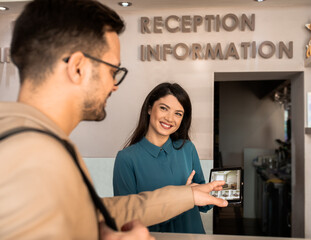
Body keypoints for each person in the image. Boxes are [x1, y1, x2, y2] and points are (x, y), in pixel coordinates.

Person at [0, 1, 228, 240]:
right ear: (77, 67)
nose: (115, 85)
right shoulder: (28, 155)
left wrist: (188, 196)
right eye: (112, 70)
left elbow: (92, 213)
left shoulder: (40, 142)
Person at [113, 82, 211, 234]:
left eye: (178, 113)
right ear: (150, 108)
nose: (170, 118)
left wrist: (209, 193)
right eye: (164, 108)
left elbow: (204, 204)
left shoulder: (187, 148)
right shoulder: (126, 158)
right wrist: (184, 197)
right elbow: (126, 219)